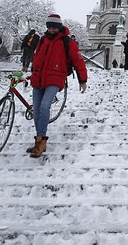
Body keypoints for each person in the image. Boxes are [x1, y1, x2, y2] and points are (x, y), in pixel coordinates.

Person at [28, 14, 88, 158]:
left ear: (59, 27)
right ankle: (39, 140)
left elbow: (78, 60)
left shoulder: (67, 41)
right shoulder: (42, 40)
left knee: (44, 106)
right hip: (39, 78)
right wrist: (33, 70)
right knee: (36, 111)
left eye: (55, 27)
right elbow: (36, 57)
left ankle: (41, 141)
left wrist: (83, 80)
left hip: (55, 78)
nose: (52, 29)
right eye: (49, 26)